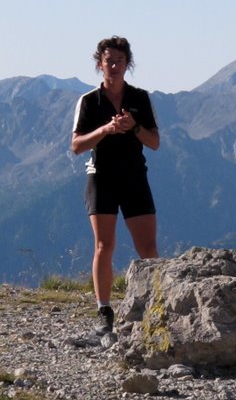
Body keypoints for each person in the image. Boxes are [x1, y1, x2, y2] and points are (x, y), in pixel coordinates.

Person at [71, 36, 160, 335]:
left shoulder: (140, 98)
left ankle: (157, 304)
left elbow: (155, 142)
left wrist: (133, 127)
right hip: (102, 177)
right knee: (104, 245)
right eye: (108, 61)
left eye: (119, 61)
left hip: (134, 176)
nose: (114, 66)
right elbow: (76, 145)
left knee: (148, 246)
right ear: (100, 65)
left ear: (127, 64)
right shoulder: (88, 101)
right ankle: (104, 311)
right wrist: (107, 129)